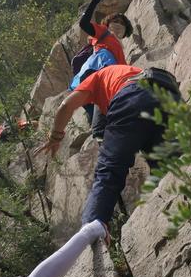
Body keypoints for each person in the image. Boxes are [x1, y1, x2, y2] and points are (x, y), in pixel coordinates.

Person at [39, 65, 181, 227]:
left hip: (133, 96)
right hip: (169, 96)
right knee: (170, 168)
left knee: (109, 171)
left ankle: (92, 228)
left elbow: (66, 105)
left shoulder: (95, 78)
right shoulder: (123, 70)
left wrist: (55, 137)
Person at [72, 0, 133, 138]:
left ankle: (106, 133)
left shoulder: (119, 50)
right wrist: (94, 1)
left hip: (109, 75)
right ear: (107, 24)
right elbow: (84, 23)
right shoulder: (103, 32)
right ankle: (99, 133)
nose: (118, 25)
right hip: (100, 68)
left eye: (121, 23)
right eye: (115, 21)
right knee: (103, 93)